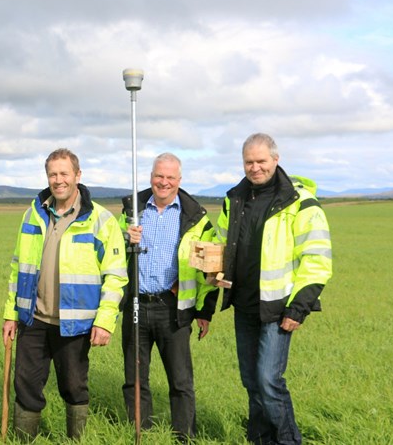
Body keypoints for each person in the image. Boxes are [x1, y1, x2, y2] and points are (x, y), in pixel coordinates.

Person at [214, 133, 333, 444]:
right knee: (251, 381)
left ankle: (289, 441)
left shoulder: (301, 201)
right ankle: (261, 439)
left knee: (269, 381)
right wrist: (213, 271)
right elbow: (222, 244)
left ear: (276, 160)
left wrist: (299, 308)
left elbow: (317, 259)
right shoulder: (234, 199)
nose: (255, 168)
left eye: (261, 161)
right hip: (244, 304)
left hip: (279, 307)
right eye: (249, 162)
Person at [2, 148, 128, 441]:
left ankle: (75, 439)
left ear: (77, 176)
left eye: (64, 174)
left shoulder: (100, 220)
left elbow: (116, 276)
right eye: (52, 174)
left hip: (76, 322)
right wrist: (11, 313)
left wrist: (104, 321)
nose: (58, 180)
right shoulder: (33, 214)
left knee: (73, 386)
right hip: (32, 319)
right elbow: (17, 267)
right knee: (26, 386)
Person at [119, 152, 217, 441]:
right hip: (136, 305)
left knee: (181, 380)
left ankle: (184, 436)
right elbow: (111, 253)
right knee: (135, 379)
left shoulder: (195, 217)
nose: (164, 182)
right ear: (151, 177)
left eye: (170, 177)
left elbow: (208, 271)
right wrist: (126, 239)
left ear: (179, 180)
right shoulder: (132, 211)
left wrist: (204, 312)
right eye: (159, 176)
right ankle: (141, 432)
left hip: (173, 307)